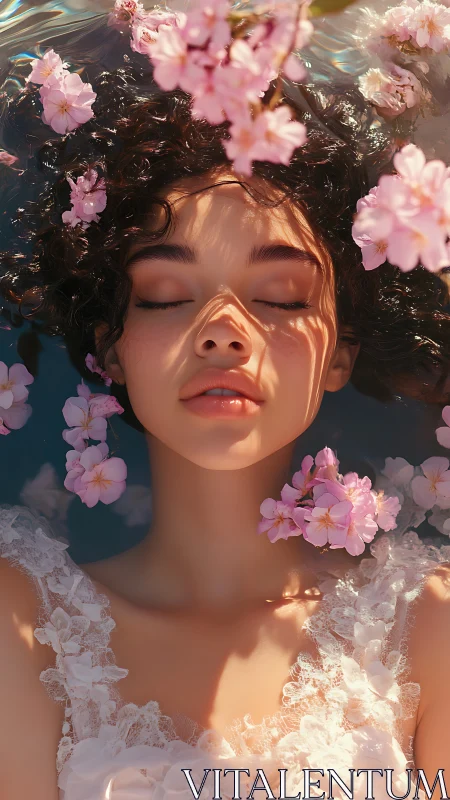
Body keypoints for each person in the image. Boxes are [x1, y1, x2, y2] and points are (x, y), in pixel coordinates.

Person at [1, 7, 450, 800]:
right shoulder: (22, 628)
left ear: (340, 349)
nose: (223, 333)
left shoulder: (428, 627)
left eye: (279, 296)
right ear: (109, 345)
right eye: (168, 295)